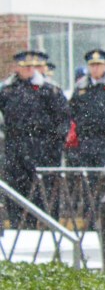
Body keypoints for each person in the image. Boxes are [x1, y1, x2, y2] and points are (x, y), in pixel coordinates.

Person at [0, 51, 70, 209]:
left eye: (32, 67)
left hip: (41, 148)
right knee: (17, 193)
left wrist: (53, 146)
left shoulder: (49, 90)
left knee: (44, 195)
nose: (29, 71)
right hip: (15, 148)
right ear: (17, 68)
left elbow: (62, 120)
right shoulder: (7, 90)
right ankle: (19, 226)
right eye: (25, 67)